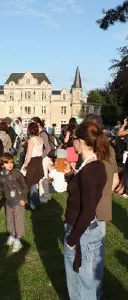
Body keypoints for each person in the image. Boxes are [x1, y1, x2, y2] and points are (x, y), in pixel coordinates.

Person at [64, 122, 109, 300]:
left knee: (80, 283)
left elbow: (88, 210)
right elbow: (85, 194)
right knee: (87, 280)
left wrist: (71, 240)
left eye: (74, 139)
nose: (73, 143)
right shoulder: (94, 165)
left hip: (81, 231)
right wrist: (73, 178)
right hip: (87, 229)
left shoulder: (90, 170)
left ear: (80, 142)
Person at [83, 114, 120, 298]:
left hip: (86, 207)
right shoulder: (110, 150)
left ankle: (88, 291)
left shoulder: (89, 150)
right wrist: (105, 195)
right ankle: (96, 290)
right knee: (97, 252)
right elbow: (115, 180)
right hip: (103, 206)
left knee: (84, 252)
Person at [0, 153, 28, 253]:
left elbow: (25, 187)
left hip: (18, 202)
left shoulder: (17, 173)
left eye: (11, 162)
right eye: (7, 163)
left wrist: (23, 198)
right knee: (9, 221)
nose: (10, 165)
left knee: (18, 222)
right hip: (8, 202)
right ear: (2, 164)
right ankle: (12, 236)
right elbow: (1, 188)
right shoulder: (1, 175)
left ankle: (18, 241)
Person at [23, 122, 44, 210]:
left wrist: (25, 165)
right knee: (34, 183)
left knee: (31, 184)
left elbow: (29, 155)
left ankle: (34, 205)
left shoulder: (31, 140)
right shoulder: (40, 139)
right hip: (39, 161)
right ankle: (35, 203)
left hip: (32, 162)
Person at [31, 117, 51, 203]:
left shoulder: (42, 133)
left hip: (44, 158)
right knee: (42, 177)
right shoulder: (40, 133)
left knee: (43, 178)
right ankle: (45, 195)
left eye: (32, 123)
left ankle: (44, 197)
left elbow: (48, 148)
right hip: (42, 157)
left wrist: (41, 157)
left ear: (38, 124)